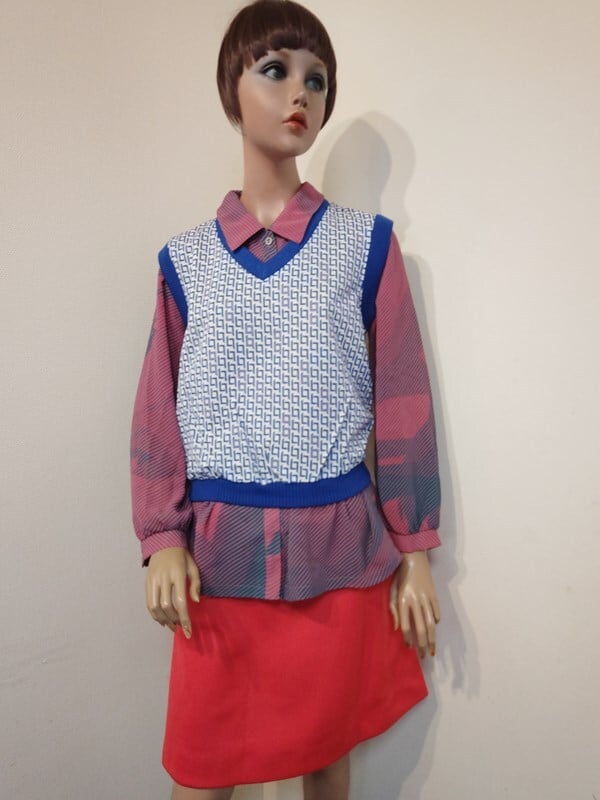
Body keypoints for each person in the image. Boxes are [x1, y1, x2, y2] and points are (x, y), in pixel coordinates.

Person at [130, 1, 441, 798]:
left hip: (339, 557)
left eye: (317, 79)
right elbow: (157, 411)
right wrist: (162, 536)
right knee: (203, 769)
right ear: (231, 90)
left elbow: (403, 402)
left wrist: (414, 549)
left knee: (326, 758)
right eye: (275, 70)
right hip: (218, 560)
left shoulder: (367, 247)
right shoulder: (185, 263)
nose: (300, 92)